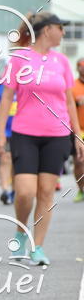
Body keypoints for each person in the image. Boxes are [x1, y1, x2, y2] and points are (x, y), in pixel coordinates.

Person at [0, 12, 84, 266]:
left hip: (57, 135)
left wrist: (77, 136)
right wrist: (0, 132)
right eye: (60, 28)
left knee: (46, 193)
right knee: (25, 192)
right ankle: (21, 232)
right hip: (25, 134)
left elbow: (69, 101)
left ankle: (38, 247)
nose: (63, 33)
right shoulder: (19, 59)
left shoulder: (63, 62)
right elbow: (7, 97)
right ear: (46, 30)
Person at [71, 57, 84, 202]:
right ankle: (81, 189)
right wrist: (76, 102)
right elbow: (66, 105)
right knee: (79, 162)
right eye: (81, 65)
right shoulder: (73, 86)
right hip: (78, 129)